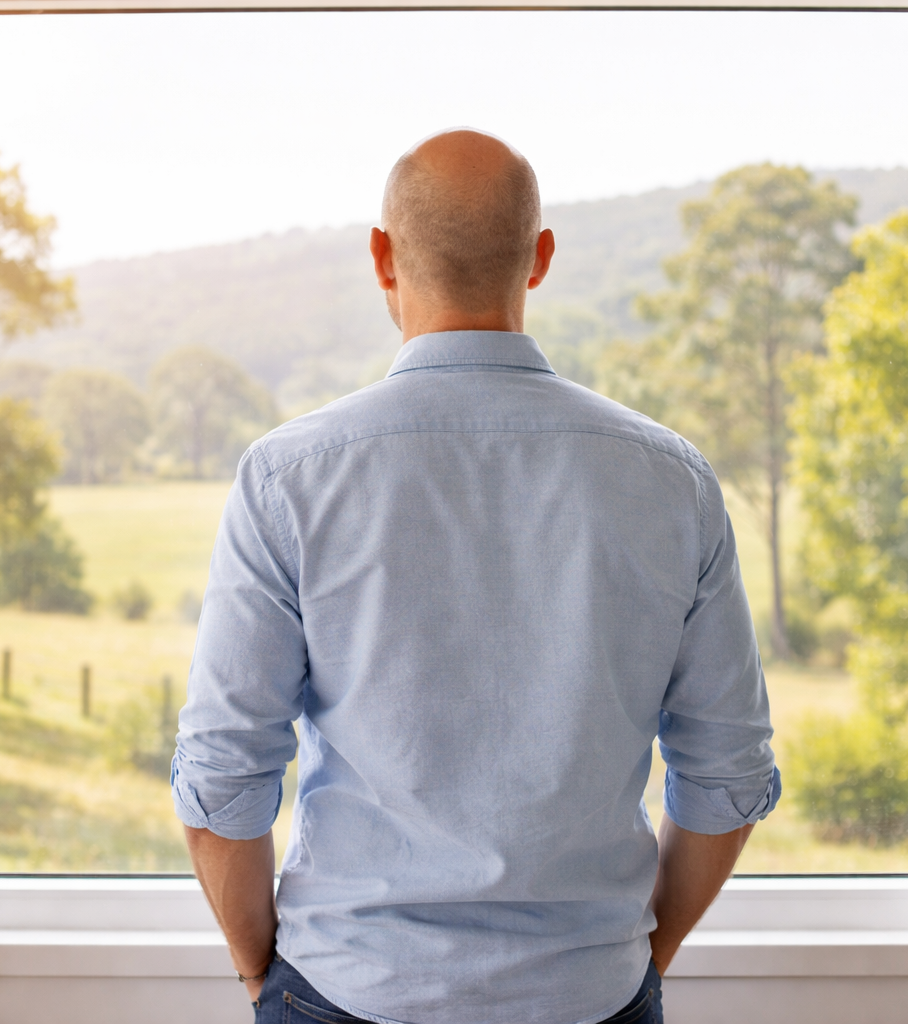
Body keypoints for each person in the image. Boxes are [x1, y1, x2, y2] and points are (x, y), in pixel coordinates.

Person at [170, 128, 779, 1024]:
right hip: (593, 996)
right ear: (541, 257)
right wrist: (641, 956)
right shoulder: (671, 479)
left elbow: (224, 778)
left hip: (345, 990)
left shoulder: (288, 476)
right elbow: (728, 774)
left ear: (382, 256)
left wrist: (262, 974)